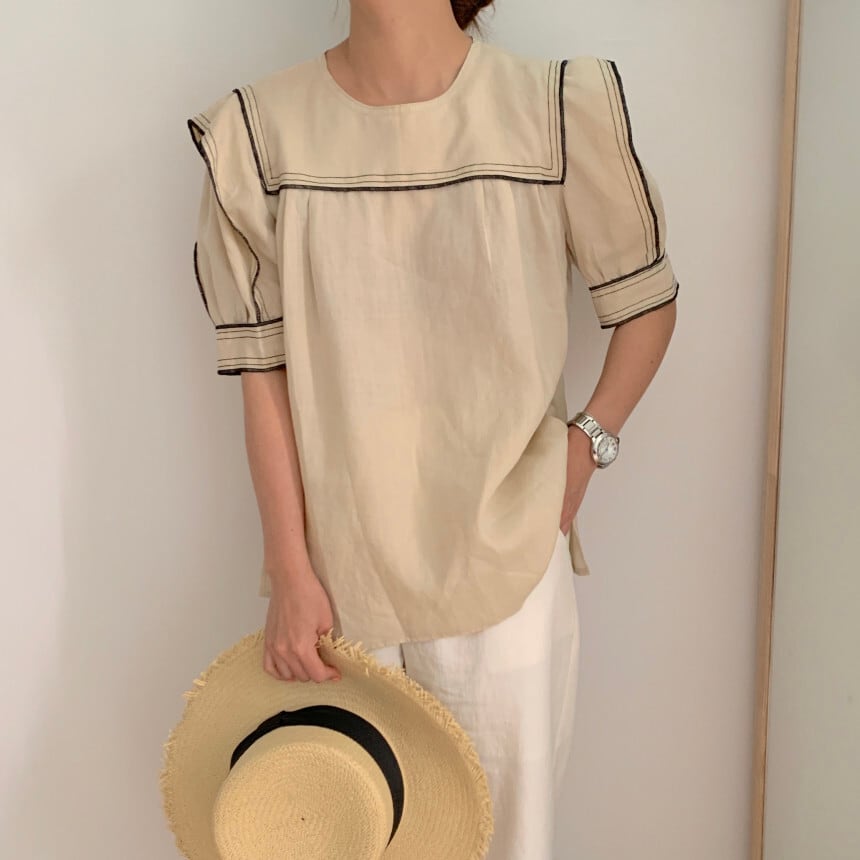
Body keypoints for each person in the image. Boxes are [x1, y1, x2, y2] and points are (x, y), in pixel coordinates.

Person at [185, 0, 678, 855]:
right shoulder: (260, 136)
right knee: (347, 835)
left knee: (508, 843)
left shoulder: (553, 110)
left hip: (508, 568)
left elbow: (646, 304)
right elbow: (262, 375)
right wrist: (290, 569)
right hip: (340, 582)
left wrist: (585, 448)